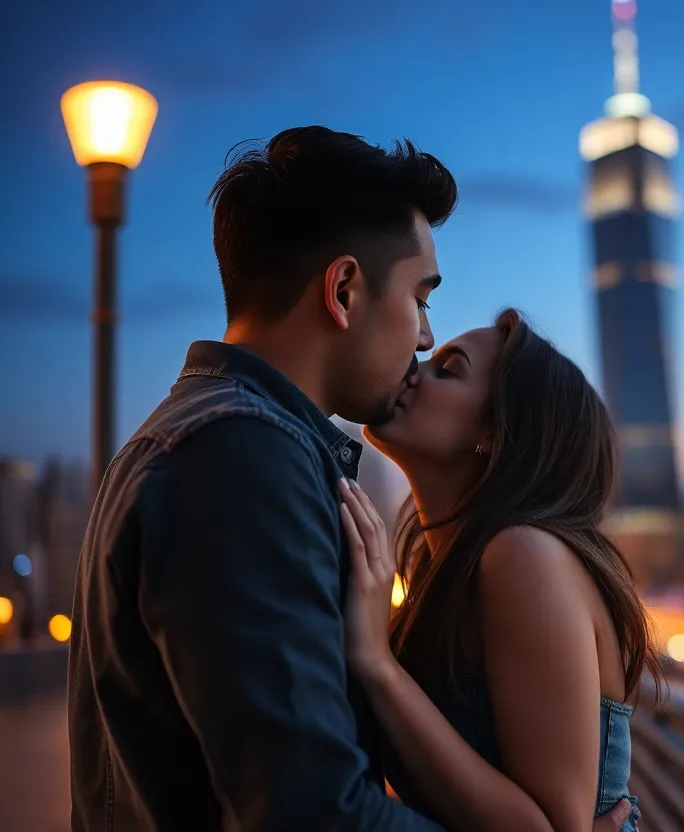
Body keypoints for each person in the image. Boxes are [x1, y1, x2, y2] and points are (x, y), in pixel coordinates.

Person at [65, 126, 637, 832]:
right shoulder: (241, 455)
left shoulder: (225, 440)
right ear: (342, 289)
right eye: (422, 297)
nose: (424, 338)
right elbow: (314, 812)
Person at [333, 309, 660, 832]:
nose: (414, 369)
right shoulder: (444, 570)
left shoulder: (522, 555)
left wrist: (376, 663)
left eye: (448, 369)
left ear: (497, 430)